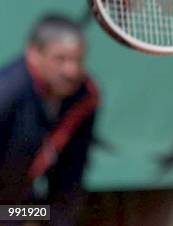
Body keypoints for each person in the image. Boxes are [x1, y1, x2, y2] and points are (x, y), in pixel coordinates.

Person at [0, 14, 99, 226]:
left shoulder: (84, 97)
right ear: (34, 54)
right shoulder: (6, 94)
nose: (71, 70)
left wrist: (52, 219)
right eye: (60, 59)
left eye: (77, 60)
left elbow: (69, 179)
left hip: (15, 209)